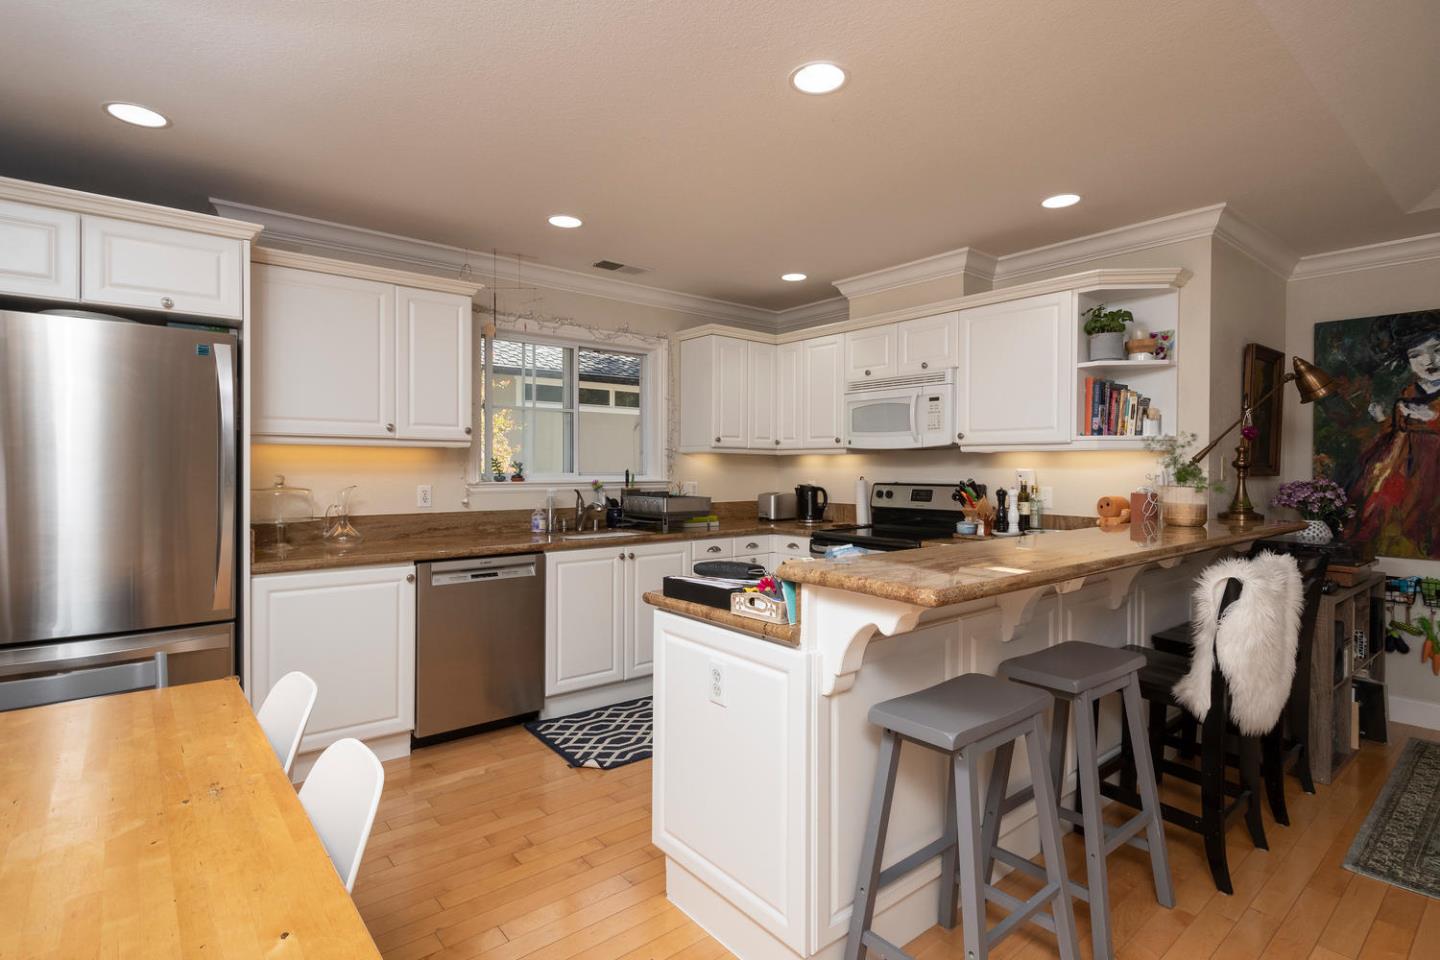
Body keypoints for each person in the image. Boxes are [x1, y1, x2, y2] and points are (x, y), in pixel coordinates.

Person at [1345, 322, 1440, 556]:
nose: (1428, 361)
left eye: (1437, 350)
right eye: (1416, 355)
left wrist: (1433, 418)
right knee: (1384, 510)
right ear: (1407, 361)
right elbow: (1395, 430)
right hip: (1402, 469)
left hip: (1434, 472)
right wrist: (1381, 420)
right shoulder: (1408, 392)